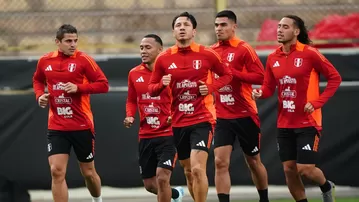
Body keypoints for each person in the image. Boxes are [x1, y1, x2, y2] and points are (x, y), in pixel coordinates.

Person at [252, 15, 341, 202]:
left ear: (296, 31)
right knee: (289, 170)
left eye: (285, 27)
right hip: (285, 123)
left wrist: (317, 102)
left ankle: (326, 186)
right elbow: (269, 88)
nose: (279, 30)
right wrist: (259, 93)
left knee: (305, 169)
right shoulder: (272, 57)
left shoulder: (310, 53)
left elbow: (335, 78)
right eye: (278, 26)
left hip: (308, 121)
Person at [148, 12, 233, 202]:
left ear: (194, 31)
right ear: (173, 31)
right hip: (178, 121)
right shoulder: (164, 58)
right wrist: (162, 84)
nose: (182, 28)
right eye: (178, 25)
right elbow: (151, 90)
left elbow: (227, 75)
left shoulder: (206, 53)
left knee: (197, 168)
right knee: (188, 171)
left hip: (202, 118)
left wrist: (210, 88)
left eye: (186, 24)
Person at [32, 24, 109, 202]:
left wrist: (79, 88)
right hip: (57, 126)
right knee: (56, 171)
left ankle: (97, 199)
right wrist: (39, 96)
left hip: (81, 125)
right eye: (68, 41)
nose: (73, 44)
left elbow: (103, 84)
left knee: (88, 172)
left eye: (75, 40)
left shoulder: (83, 60)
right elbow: (37, 80)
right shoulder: (45, 61)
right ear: (57, 42)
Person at [210, 10, 269, 202]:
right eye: (217, 25)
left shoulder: (244, 49)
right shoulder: (211, 52)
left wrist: (233, 73)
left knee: (253, 161)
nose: (219, 29)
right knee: (220, 162)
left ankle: (264, 198)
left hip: (245, 113)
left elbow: (260, 77)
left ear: (234, 26)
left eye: (223, 25)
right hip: (221, 116)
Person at [124, 34, 184, 202]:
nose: (143, 51)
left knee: (162, 177)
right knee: (150, 185)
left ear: (160, 50)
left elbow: (183, 97)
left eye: (148, 48)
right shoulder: (134, 73)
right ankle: (175, 195)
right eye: (141, 48)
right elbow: (131, 99)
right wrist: (130, 116)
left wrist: (175, 115)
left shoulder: (171, 73)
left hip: (168, 134)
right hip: (146, 135)